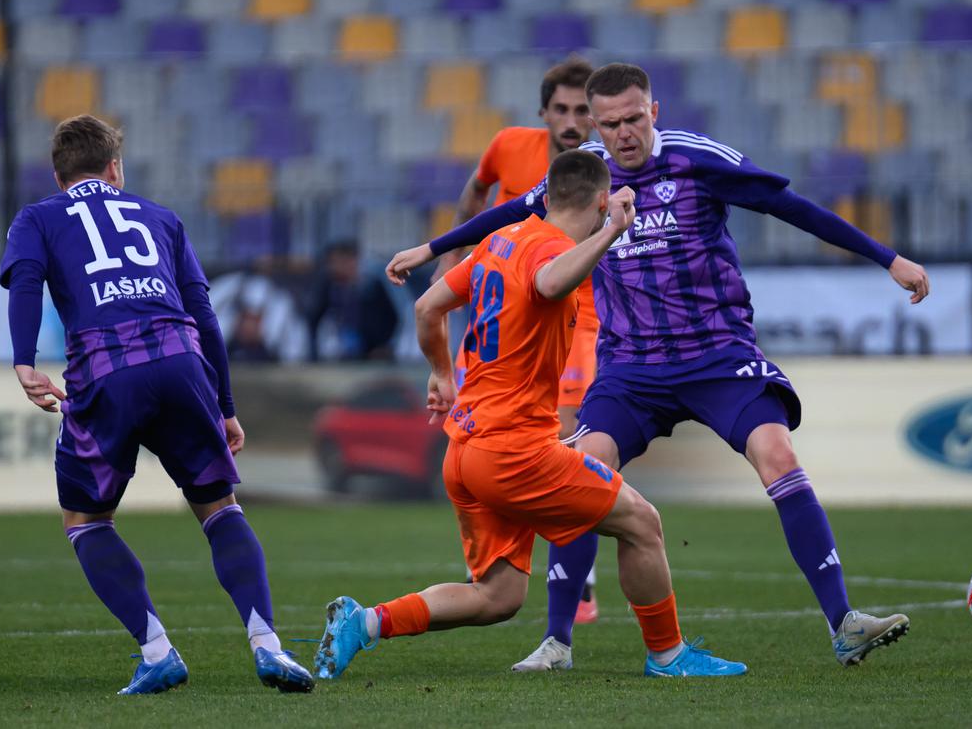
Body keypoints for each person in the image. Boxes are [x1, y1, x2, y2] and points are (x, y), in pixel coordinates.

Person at [386, 63, 931, 670]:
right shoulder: (588, 175)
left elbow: (791, 207)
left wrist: (889, 259)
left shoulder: (698, 160)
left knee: (777, 456)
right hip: (632, 366)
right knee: (585, 467)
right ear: (595, 123)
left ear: (655, 112)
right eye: (611, 123)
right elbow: (512, 212)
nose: (624, 134)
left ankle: (844, 622)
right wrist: (435, 248)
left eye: (634, 119)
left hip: (716, 354)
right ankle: (557, 642)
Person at [314, 150, 748, 680]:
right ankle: (669, 655)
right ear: (595, 202)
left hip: (464, 449)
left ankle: (366, 623)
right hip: (514, 450)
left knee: (497, 596)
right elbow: (548, 283)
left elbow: (427, 308)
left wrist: (442, 374)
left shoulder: (501, 240)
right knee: (642, 523)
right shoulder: (550, 246)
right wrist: (612, 230)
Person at [0, 115, 313, 695]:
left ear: (57, 174)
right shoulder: (160, 217)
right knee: (219, 507)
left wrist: (24, 361)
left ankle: (157, 651)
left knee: (86, 520)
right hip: (180, 361)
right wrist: (223, 402)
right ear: (115, 168)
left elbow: (25, 281)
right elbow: (204, 312)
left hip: (105, 371)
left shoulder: (38, 217)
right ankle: (269, 646)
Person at [444, 56, 605, 642]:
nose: (571, 120)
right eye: (560, 109)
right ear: (542, 113)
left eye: (582, 109)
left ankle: (572, 571)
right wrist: (450, 259)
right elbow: (473, 198)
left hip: (575, 320)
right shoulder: (508, 146)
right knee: (486, 429)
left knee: (559, 437)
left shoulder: (599, 172)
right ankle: (497, 551)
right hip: (500, 318)